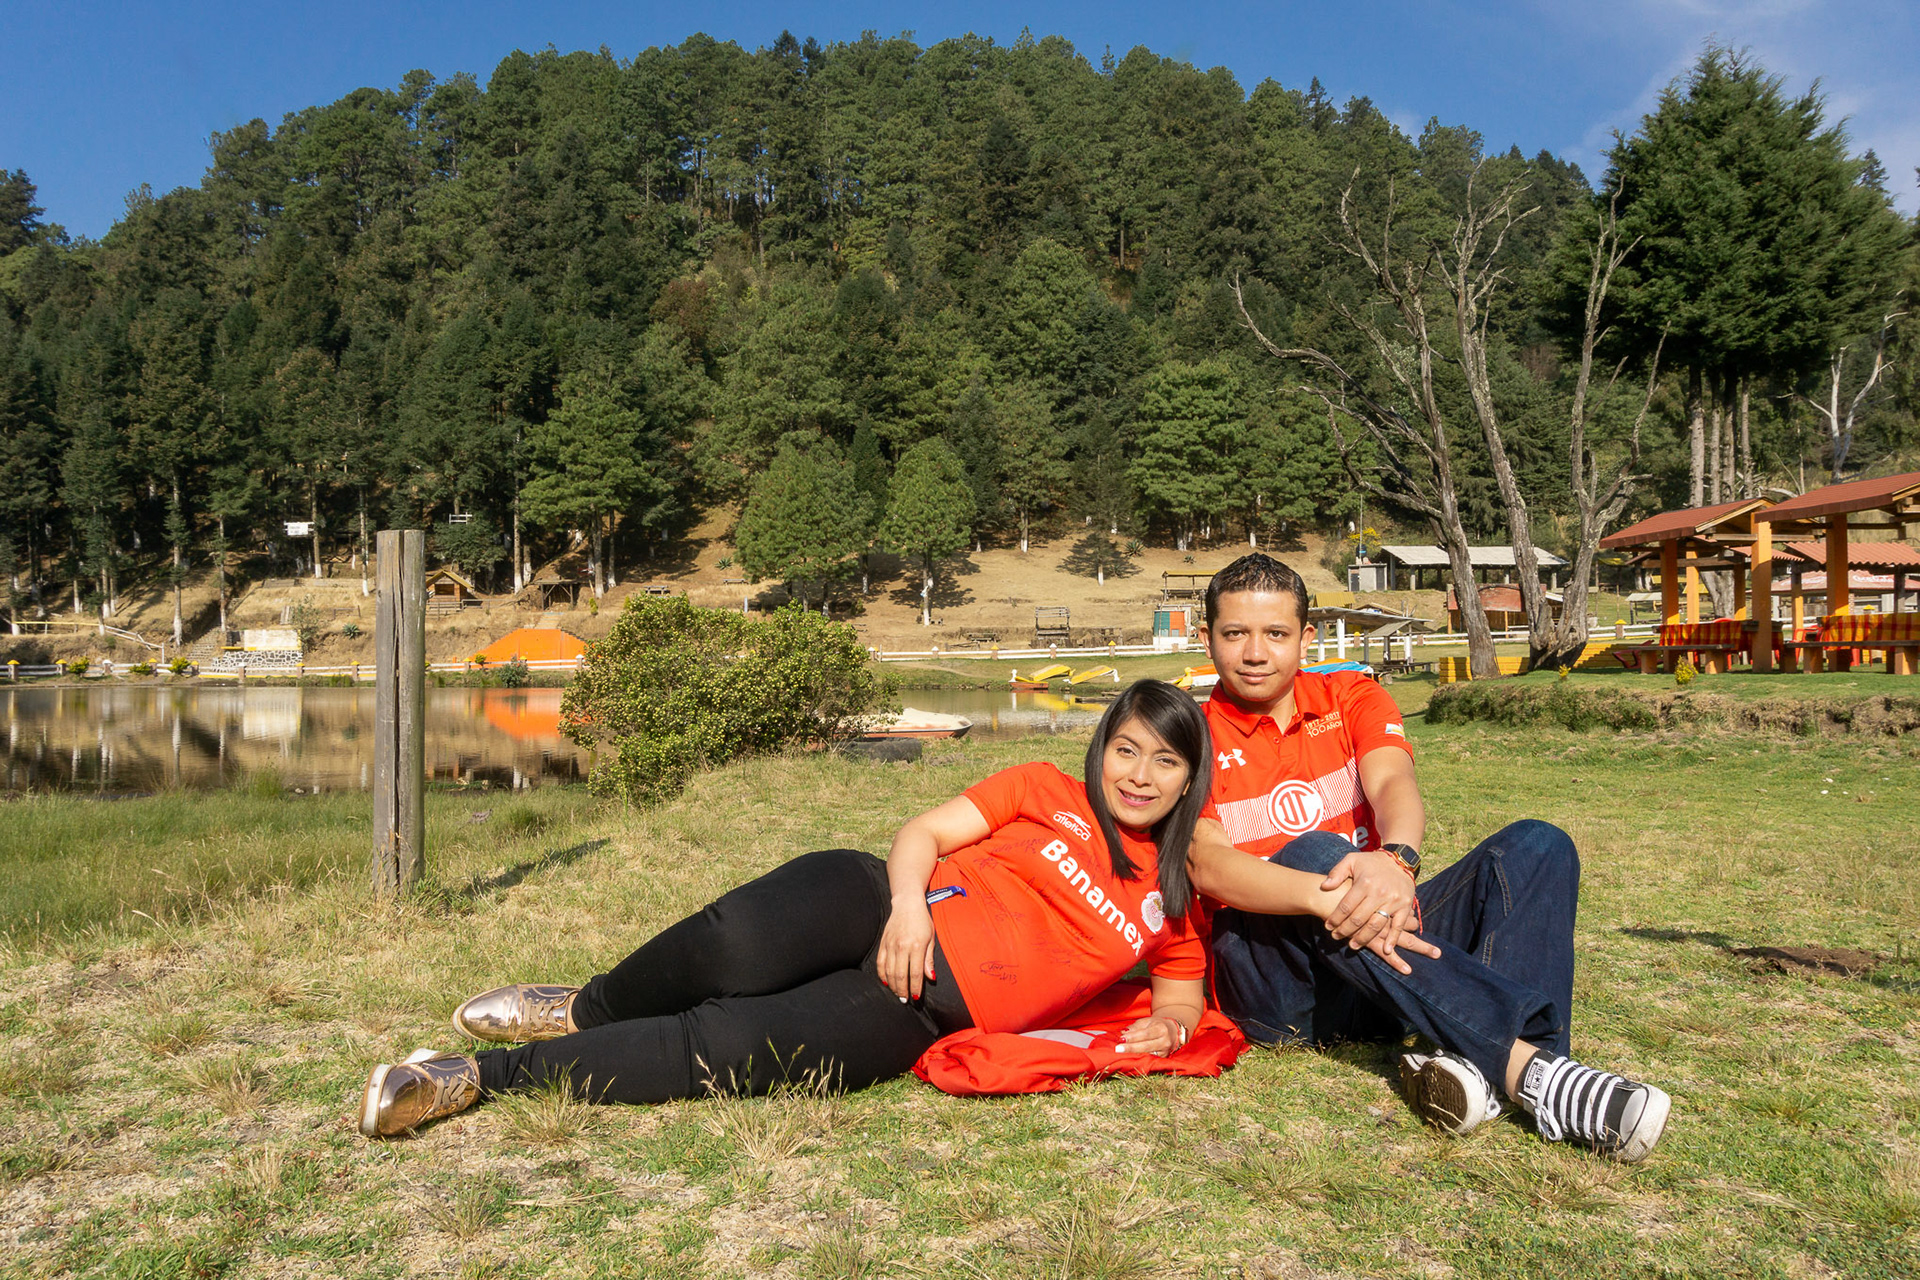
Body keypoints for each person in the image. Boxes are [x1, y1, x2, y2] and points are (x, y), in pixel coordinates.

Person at [359, 680, 1213, 1137]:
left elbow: (1179, 998)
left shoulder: (1174, 896)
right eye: (1126, 750)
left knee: (726, 1048)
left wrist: (1169, 1030)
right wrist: (909, 908)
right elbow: (923, 832)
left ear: (1188, 779)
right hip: (878, 903)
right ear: (1101, 748)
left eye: (1164, 762)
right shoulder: (1043, 788)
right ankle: (585, 1006)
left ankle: (473, 1078)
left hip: (922, 1008)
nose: (1138, 776)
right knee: (732, 942)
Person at [1185, 553, 1671, 1162]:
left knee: (1539, 844)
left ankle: (1501, 1069)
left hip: (1377, 957)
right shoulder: (1186, 734)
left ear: (1306, 638)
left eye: (1276, 634)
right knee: (1317, 852)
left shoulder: (1350, 695)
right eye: (1235, 633)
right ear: (1206, 637)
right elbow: (1206, 864)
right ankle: (1529, 1069)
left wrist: (1396, 860)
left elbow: (1393, 781)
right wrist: (1325, 893)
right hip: (1279, 984)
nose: (1256, 653)